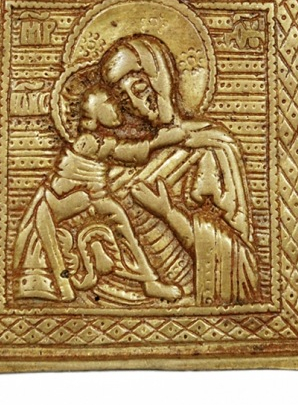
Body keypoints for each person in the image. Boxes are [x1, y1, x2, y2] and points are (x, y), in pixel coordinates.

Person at [103, 35, 260, 305]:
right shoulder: (126, 155)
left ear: (160, 77)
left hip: (189, 297)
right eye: (125, 100)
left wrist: (168, 213)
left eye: (140, 88)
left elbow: (239, 255)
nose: (138, 105)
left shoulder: (210, 147)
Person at [14, 82, 186, 302]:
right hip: (64, 202)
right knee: (118, 219)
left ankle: (149, 281)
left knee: (121, 221)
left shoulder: (97, 139)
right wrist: (159, 142)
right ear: (93, 116)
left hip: (91, 199)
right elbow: (124, 152)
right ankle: (148, 282)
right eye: (109, 102)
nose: (116, 106)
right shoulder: (88, 141)